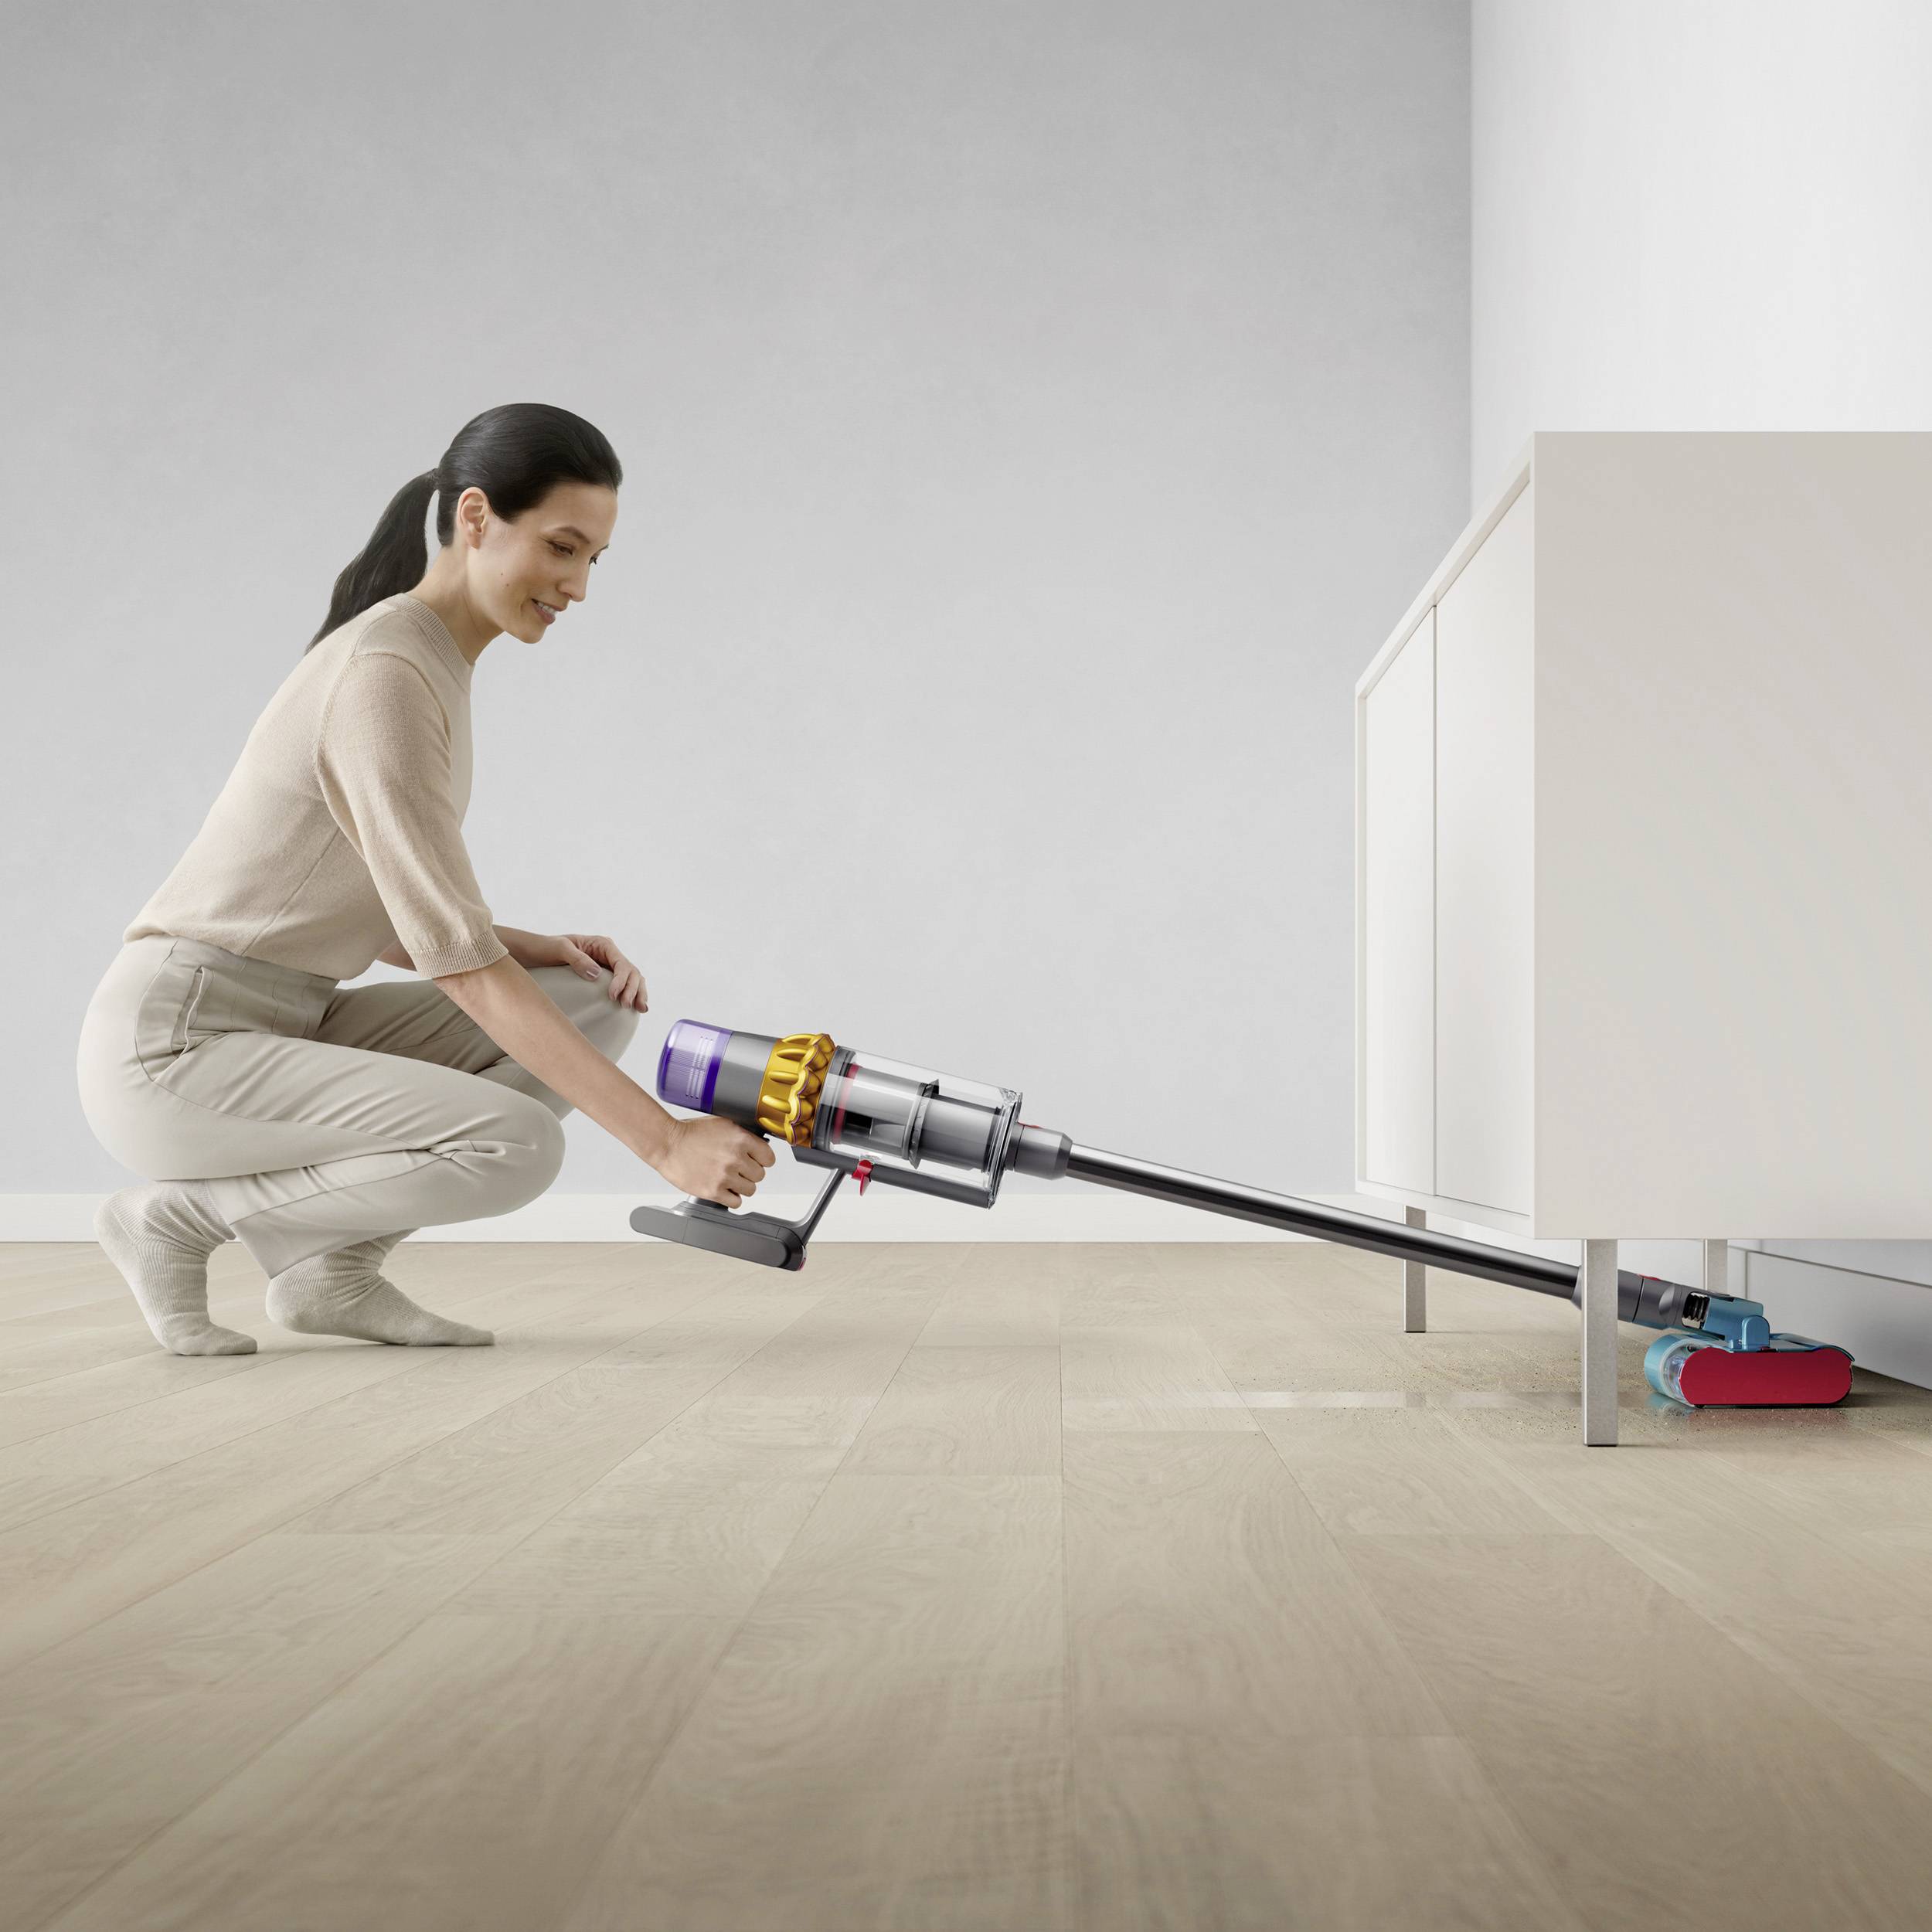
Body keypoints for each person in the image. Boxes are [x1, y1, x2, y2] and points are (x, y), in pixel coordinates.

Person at [76, 402, 774, 1356]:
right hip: (178, 1046)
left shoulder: (431, 660)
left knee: (587, 998)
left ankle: (330, 1269)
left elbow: (382, 915)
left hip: (284, 1015)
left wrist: (533, 946)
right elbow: (460, 969)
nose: (576, 585)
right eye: (562, 547)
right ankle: (175, 1221)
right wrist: (664, 1143)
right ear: (477, 517)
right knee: (516, 1144)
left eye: (593, 560)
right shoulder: (386, 671)